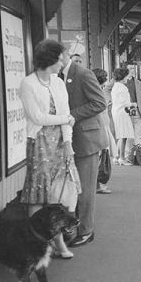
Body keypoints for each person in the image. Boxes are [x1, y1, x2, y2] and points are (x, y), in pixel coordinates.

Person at [19, 39, 79, 259]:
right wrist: (66, 118)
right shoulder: (28, 83)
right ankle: (34, 245)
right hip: (39, 141)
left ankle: (58, 245)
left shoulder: (58, 82)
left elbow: (67, 113)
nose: (64, 61)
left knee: (57, 194)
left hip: (60, 142)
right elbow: (37, 117)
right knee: (37, 195)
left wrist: (69, 142)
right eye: (62, 57)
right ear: (51, 58)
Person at [60, 48, 108, 247]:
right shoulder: (57, 76)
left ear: (62, 56)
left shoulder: (82, 73)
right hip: (69, 140)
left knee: (86, 189)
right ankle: (72, 227)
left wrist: (71, 115)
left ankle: (87, 231)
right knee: (71, 189)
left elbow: (100, 103)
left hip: (87, 140)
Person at [92, 68, 117, 194]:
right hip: (100, 127)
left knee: (101, 157)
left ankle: (98, 184)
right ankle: (96, 185)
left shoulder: (98, 91)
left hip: (102, 126)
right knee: (100, 157)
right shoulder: (98, 92)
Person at [110, 67, 137, 165]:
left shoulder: (115, 86)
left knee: (120, 134)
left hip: (116, 111)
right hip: (122, 112)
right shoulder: (123, 87)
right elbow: (126, 103)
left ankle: (116, 157)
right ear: (123, 76)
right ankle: (122, 158)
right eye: (127, 76)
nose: (128, 78)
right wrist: (133, 104)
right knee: (124, 135)